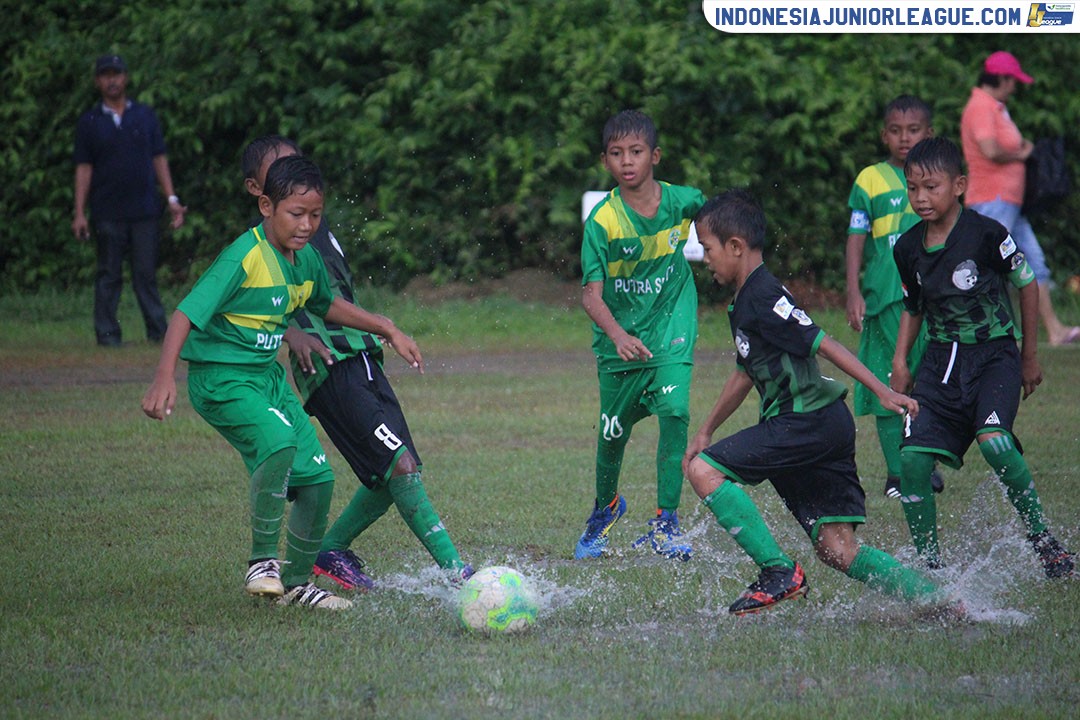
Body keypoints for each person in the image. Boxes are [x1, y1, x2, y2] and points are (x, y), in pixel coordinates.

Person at [142, 155, 424, 609]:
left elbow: (326, 304)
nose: (307, 224)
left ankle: (295, 585)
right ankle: (261, 563)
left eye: (315, 215)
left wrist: (386, 328)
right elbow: (185, 312)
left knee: (318, 478)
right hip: (223, 380)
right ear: (266, 207)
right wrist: (163, 377)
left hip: (267, 378)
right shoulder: (245, 255)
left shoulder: (305, 259)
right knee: (277, 442)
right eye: (297, 214)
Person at [684, 189, 950, 616]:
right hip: (819, 425)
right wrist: (706, 429)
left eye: (708, 247)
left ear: (735, 247)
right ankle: (941, 602)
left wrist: (883, 391)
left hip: (806, 422)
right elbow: (744, 372)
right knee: (838, 549)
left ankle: (777, 572)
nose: (705, 257)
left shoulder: (765, 296)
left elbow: (822, 342)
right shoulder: (746, 299)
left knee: (703, 470)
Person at [239, 136, 471, 591]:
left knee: (393, 473)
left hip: (362, 357)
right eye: (280, 171)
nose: (296, 176)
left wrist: (384, 328)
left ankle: (329, 549)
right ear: (258, 193)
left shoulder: (314, 227)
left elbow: (331, 300)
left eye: (299, 165)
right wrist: (289, 332)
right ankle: (459, 574)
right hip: (328, 368)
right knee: (398, 465)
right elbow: (248, 306)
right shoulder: (260, 247)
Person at [891, 136, 1074, 578]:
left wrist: (1028, 355)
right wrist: (901, 362)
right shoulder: (907, 248)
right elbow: (913, 307)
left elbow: (1027, 284)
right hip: (940, 363)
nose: (921, 197)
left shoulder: (988, 233)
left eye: (931, 187)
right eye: (913, 187)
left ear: (959, 185)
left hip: (994, 356)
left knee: (995, 441)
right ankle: (930, 567)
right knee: (912, 460)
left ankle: (1043, 541)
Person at [575, 110, 706, 561]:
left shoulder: (685, 201)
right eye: (616, 154)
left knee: (675, 412)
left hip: (671, 330)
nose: (627, 162)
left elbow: (725, 231)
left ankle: (665, 523)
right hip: (620, 346)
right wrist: (616, 334)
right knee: (612, 435)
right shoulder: (603, 221)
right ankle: (606, 508)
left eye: (635, 152)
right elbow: (591, 296)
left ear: (655, 155)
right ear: (606, 161)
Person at [846, 95, 943, 499]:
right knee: (891, 378)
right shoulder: (870, 179)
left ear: (929, 133)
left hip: (934, 296)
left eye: (914, 130)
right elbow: (855, 237)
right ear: (884, 134)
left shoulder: (941, 177)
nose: (905, 139)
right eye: (896, 130)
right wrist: (852, 289)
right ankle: (897, 472)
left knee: (930, 379)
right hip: (886, 296)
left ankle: (925, 460)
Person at [960, 50, 1080, 347]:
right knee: (985, 264)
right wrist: (1022, 152)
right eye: (1013, 81)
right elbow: (989, 149)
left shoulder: (996, 108)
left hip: (1009, 202)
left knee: (1034, 262)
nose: (1015, 87)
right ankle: (971, 328)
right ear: (1000, 78)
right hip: (992, 199)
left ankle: (1054, 330)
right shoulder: (981, 106)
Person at [72, 54, 187, 347]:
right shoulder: (89, 122)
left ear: (126, 77)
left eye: (117, 74)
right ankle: (108, 335)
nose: (112, 80)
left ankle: (158, 332)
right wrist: (79, 212)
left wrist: (171, 198)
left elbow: (158, 158)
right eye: (106, 74)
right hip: (107, 210)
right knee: (109, 274)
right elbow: (84, 168)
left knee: (145, 274)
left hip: (144, 210)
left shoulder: (145, 116)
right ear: (98, 81)